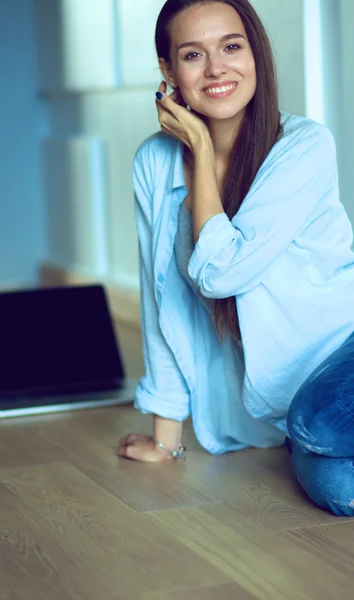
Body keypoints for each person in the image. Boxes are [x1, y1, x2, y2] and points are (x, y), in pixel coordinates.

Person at [118, 0, 354, 517]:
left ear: (255, 54)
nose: (216, 68)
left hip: (344, 354)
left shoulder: (304, 146)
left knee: (318, 424)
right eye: (192, 55)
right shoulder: (154, 164)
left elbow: (220, 273)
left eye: (231, 46)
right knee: (337, 486)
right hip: (295, 403)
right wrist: (166, 437)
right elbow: (164, 301)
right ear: (169, 72)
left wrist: (201, 149)